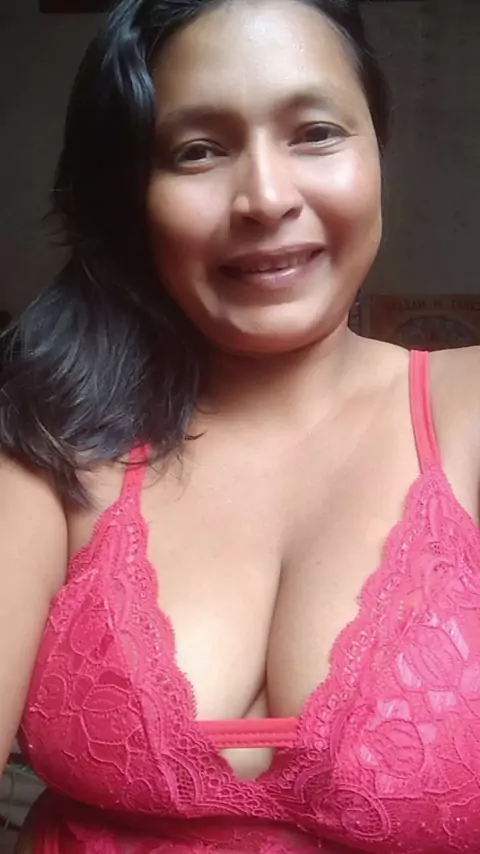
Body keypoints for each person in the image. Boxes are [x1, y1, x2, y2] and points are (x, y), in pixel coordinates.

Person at [2, 0, 480, 851]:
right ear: (133, 193)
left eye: (316, 133)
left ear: (376, 151)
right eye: (198, 150)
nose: (265, 197)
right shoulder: (50, 436)